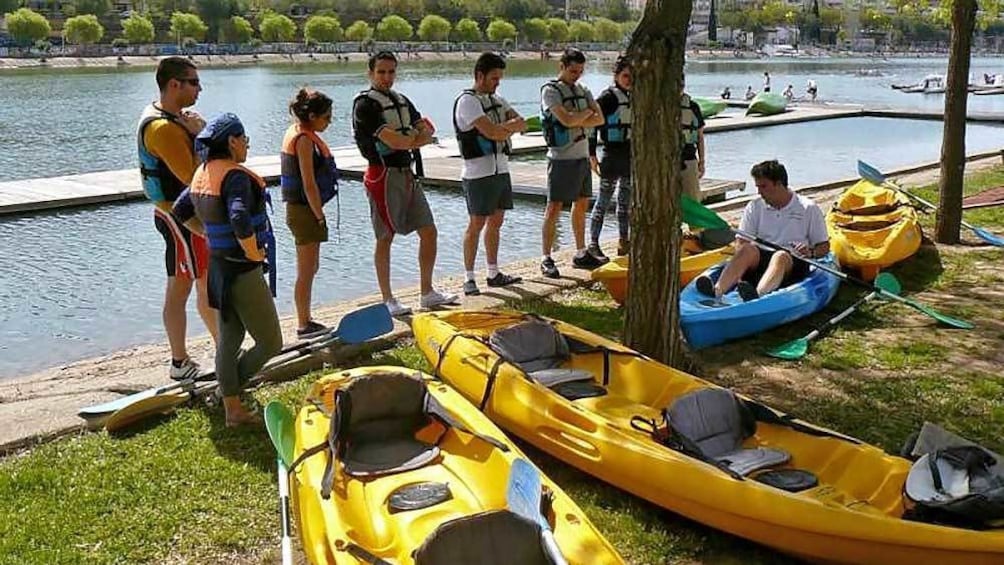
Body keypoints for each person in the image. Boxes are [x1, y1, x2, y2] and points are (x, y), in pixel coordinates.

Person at [172, 113, 283, 427]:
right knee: (271, 342)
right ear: (232, 142)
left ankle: (232, 408)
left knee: (229, 339)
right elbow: (238, 215)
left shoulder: (203, 173)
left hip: (219, 268)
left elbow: (181, 211)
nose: (247, 144)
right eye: (244, 138)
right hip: (243, 272)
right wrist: (251, 250)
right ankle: (229, 393)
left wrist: (206, 233)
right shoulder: (234, 176)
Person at [352, 51, 458, 316]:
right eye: (381, 72)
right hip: (382, 175)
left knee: (429, 230)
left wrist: (411, 137)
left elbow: (427, 129)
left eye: (391, 72)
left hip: (407, 174)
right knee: (385, 237)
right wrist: (414, 137)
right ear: (371, 74)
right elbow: (399, 141)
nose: (387, 77)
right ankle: (388, 299)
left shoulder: (401, 100)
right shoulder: (365, 106)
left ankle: (427, 292)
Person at [137, 56, 219, 381]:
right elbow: (193, 177)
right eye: (194, 82)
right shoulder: (162, 128)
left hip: (185, 213)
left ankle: (221, 345)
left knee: (202, 284)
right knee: (182, 288)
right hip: (178, 216)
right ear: (174, 85)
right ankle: (179, 362)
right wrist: (201, 136)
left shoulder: (171, 119)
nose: (200, 89)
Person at [694, 160, 829, 302]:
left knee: (780, 256)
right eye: (757, 187)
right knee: (747, 249)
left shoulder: (808, 208)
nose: (759, 192)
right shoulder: (755, 207)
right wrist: (742, 264)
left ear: (779, 184)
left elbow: (824, 247)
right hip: (762, 259)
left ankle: (758, 296)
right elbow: (741, 242)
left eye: (763, 186)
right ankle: (717, 290)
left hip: (792, 261)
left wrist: (811, 252)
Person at [453, 52, 527, 297]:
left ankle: (493, 272)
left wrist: (503, 129)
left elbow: (521, 122)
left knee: (497, 221)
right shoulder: (468, 102)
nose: (498, 82)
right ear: (479, 75)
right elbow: (492, 132)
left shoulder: (498, 99)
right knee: (476, 223)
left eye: (500, 78)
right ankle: (469, 277)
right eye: (494, 78)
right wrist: (507, 129)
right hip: (477, 174)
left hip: (501, 169)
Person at [538, 48, 605, 277]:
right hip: (560, 158)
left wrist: (579, 117)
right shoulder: (550, 91)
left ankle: (580, 251)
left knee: (582, 203)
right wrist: (584, 115)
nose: (577, 75)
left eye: (580, 71)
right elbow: (565, 120)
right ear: (562, 66)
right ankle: (546, 257)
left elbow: (600, 118)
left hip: (582, 156)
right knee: (554, 206)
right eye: (573, 70)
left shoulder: (583, 90)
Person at [280, 88, 338, 339]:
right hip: (304, 211)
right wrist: (319, 215)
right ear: (312, 116)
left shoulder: (300, 132)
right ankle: (304, 324)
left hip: (304, 211)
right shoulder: (303, 139)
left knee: (310, 267)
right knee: (305, 270)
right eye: (326, 117)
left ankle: (307, 319)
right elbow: (308, 183)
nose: (329, 121)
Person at [588, 55, 633, 259]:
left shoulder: (635, 97)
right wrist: (591, 154)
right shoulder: (607, 98)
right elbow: (591, 126)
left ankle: (624, 241)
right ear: (616, 76)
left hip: (630, 154)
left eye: (632, 76)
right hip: (611, 154)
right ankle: (593, 244)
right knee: (603, 201)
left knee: (625, 202)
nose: (629, 80)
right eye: (625, 76)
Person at [681, 74, 706, 206]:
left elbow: (700, 137)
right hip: (666, 160)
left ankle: (696, 227)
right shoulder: (662, 107)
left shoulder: (693, 107)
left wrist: (702, 162)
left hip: (689, 159)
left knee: (693, 202)